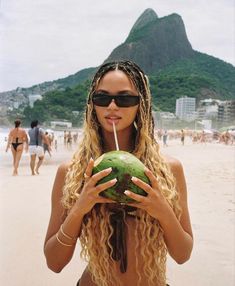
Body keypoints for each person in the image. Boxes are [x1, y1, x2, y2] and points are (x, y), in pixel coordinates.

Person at [44, 61, 193, 286]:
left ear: (141, 105)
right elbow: (54, 263)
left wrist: (162, 210)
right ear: (92, 105)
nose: (112, 106)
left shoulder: (168, 170)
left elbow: (183, 255)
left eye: (124, 99)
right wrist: (80, 209)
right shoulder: (72, 173)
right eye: (102, 98)